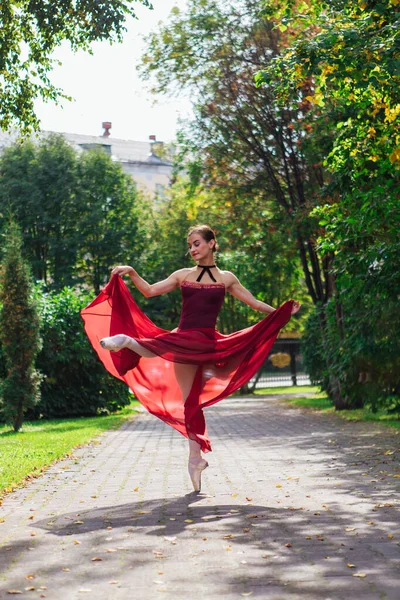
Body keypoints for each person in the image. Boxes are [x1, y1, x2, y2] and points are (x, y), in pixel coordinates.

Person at [81, 224, 300, 492]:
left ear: (211, 243)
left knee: (191, 399)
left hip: (208, 344)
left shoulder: (227, 278)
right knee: (187, 395)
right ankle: (128, 342)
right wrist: (133, 272)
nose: (192, 249)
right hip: (186, 339)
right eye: (190, 245)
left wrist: (282, 312)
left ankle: (194, 458)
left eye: (197, 243)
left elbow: (254, 304)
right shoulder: (182, 275)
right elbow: (150, 291)